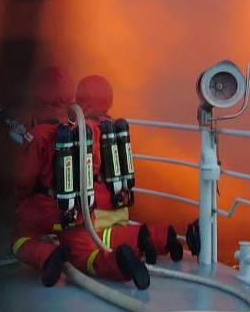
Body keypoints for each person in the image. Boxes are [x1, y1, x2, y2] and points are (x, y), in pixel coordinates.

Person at [12, 67, 150, 288]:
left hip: (44, 211)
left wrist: (18, 200)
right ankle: (119, 262)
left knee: (18, 237)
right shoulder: (82, 130)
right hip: (77, 212)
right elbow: (92, 169)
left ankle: (47, 256)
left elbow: (23, 181)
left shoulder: (38, 135)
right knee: (86, 257)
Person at [75, 74, 201, 260]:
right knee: (115, 230)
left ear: (80, 100)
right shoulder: (114, 127)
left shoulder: (85, 131)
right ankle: (163, 236)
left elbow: (85, 171)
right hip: (120, 204)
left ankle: (140, 239)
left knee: (94, 240)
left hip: (97, 211)